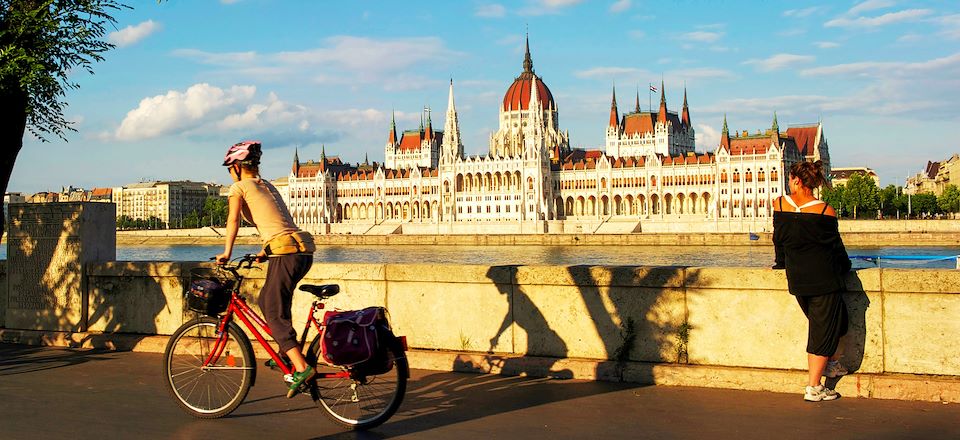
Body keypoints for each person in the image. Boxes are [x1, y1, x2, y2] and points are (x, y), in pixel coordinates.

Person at [215, 140, 317, 398]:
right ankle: (286, 352)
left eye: (229, 168)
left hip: (286, 253)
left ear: (237, 168)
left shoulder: (238, 187)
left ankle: (301, 367)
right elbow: (277, 222)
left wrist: (226, 253)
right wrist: (264, 251)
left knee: (272, 307)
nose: (229, 173)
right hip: (302, 250)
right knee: (272, 301)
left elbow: (233, 220)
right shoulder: (266, 185)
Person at [772, 160, 851, 402]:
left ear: (796, 180)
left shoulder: (780, 203)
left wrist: (781, 262)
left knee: (840, 322)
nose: (788, 183)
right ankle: (814, 387)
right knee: (821, 331)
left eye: (789, 179)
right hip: (824, 279)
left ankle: (833, 363)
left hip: (798, 279)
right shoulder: (825, 210)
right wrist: (846, 267)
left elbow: (779, 239)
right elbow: (836, 248)